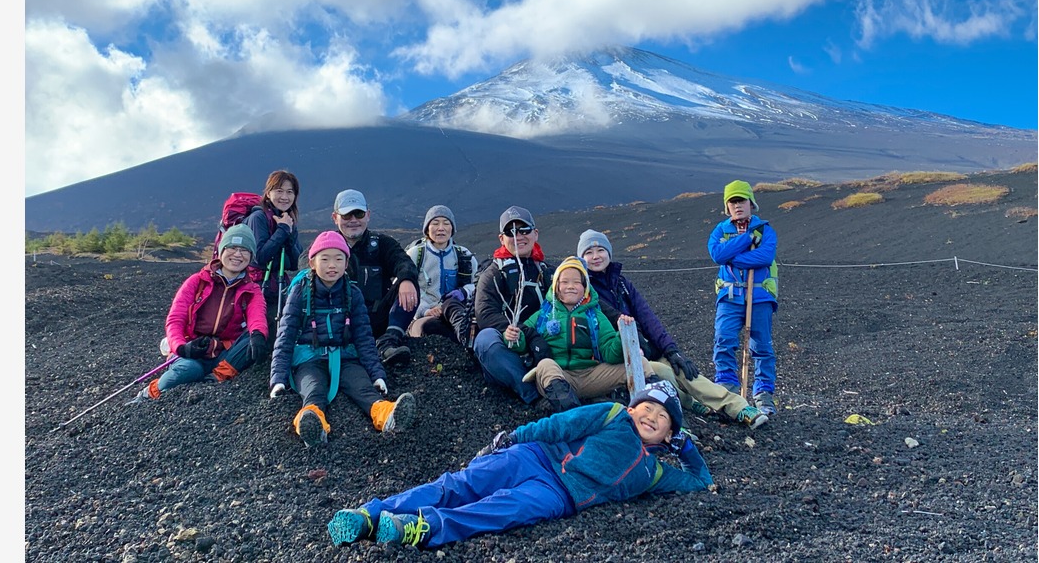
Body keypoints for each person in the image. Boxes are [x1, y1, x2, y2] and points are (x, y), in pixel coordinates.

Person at [326, 380, 712, 550]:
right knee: (459, 485)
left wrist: (687, 447)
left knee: (504, 509)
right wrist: (514, 437)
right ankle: (371, 513)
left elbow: (699, 481)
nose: (651, 415)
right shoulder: (613, 414)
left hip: (560, 494)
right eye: (646, 406)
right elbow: (559, 424)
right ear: (632, 407)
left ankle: (420, 528)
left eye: (663, 417)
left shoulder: (656, 473)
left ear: (668, 436)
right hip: (536, 455)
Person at [578, 229, 767, 429]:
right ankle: (689, 403)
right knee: (664, 372)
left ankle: (738, 407)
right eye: (589, 252)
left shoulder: (621, 284)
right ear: (581, 258)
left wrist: (672, 350)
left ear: (609, 253)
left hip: (647, 350)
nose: (596, 256)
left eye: (600, 250)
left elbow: (648, 317)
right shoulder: (585, 290)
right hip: (621, 357)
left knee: (684, 371)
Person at [268, 230, 417, 445]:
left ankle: (387, 415)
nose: (332, 265)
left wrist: (377, 374)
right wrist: (278, 379)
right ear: (312, 263)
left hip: (346, 357)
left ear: (346, 263)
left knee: (363, 388)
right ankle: (311, 425)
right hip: (308, 360)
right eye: (325, 258)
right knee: (314, 390)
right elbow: (286, 335)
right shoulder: (300, 293)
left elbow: (364, 337)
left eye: (339, 259)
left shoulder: (352, 293)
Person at [126, 224, 269, 404]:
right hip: (192, 348)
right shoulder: (197, 282)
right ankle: (149, 393)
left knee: (253, 337)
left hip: (225, 352)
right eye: (232, 248)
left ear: (251, 256)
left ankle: (215, 377)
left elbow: (258, 318)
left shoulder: (252, 290)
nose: (237, 254)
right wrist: (181, 347)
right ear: (221, 250)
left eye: (244, 250)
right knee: (188, 370)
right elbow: (175, 319)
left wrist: (258, 335)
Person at [515, 256, 649, 412]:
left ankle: (657, 411)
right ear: (556, 286)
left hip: (591, 376)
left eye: (577, 282)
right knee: (545, 365)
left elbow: (611, 354)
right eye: (564, 282)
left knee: (642, 364)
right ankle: (574, 416)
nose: (570, 286)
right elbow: (523, 340)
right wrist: (513, 337)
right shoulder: (542, 315)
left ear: (585, 287)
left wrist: (622, 335)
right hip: (558, 376)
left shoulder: (596, 316)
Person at [707, 180, 780, 415]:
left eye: (741, 201)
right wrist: (747, 240)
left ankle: (763, 394)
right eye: (732, 201)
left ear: (751, 203)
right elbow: (717, 255)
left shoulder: (766, 230)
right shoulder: (720, 230)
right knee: (724, 340)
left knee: (761, 346)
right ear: (727, 206)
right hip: (729, 297)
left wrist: (734, 257)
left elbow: (765, 257)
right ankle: (727, 389)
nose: (737, 205)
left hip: (759, 296)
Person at [471, 206, 555, 405]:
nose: (518, 236)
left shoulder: (549, 272)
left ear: (535, 234)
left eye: (524, 230)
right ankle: (534, 395)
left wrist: (621, 320)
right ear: (502, 239)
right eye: (511, 232)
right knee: (485, 340)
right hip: (511, 348)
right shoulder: (492, 274)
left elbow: (581, 297)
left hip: (545, 345)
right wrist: (526, 334)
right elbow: (485, 314)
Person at [331, 189, 420, 367]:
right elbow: (305, 263)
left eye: (359, 213)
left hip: (377, 319)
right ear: (335, 217)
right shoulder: (325, 246)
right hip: (340, 320)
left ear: (368, 215)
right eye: (347, 215)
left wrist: (406, 279)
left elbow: (404, 263)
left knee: (410, 285)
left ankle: (389, 341)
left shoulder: (382, 243)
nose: (353, 220)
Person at [403, 205, 479, 346]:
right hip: (422, 316)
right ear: (427, 228)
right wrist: (425, 310)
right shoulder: (416, 254)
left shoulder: (464, 255)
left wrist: (463, 292)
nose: (441, 228)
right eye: (435, 223)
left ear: (452, 228)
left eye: (446, 223)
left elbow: (478, 285)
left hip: (455, 313)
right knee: (428, 328)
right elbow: (402, 290)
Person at [244, 170, 304, 344]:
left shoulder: (286, 219)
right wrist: (283, 231)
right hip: (256, 288)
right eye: (279, 190)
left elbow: (295, 263)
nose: (284, 196)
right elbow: (259, 257)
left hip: (278, 287)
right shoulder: (258, 218)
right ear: (268, 193)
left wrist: (289, 234)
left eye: (290, 192)